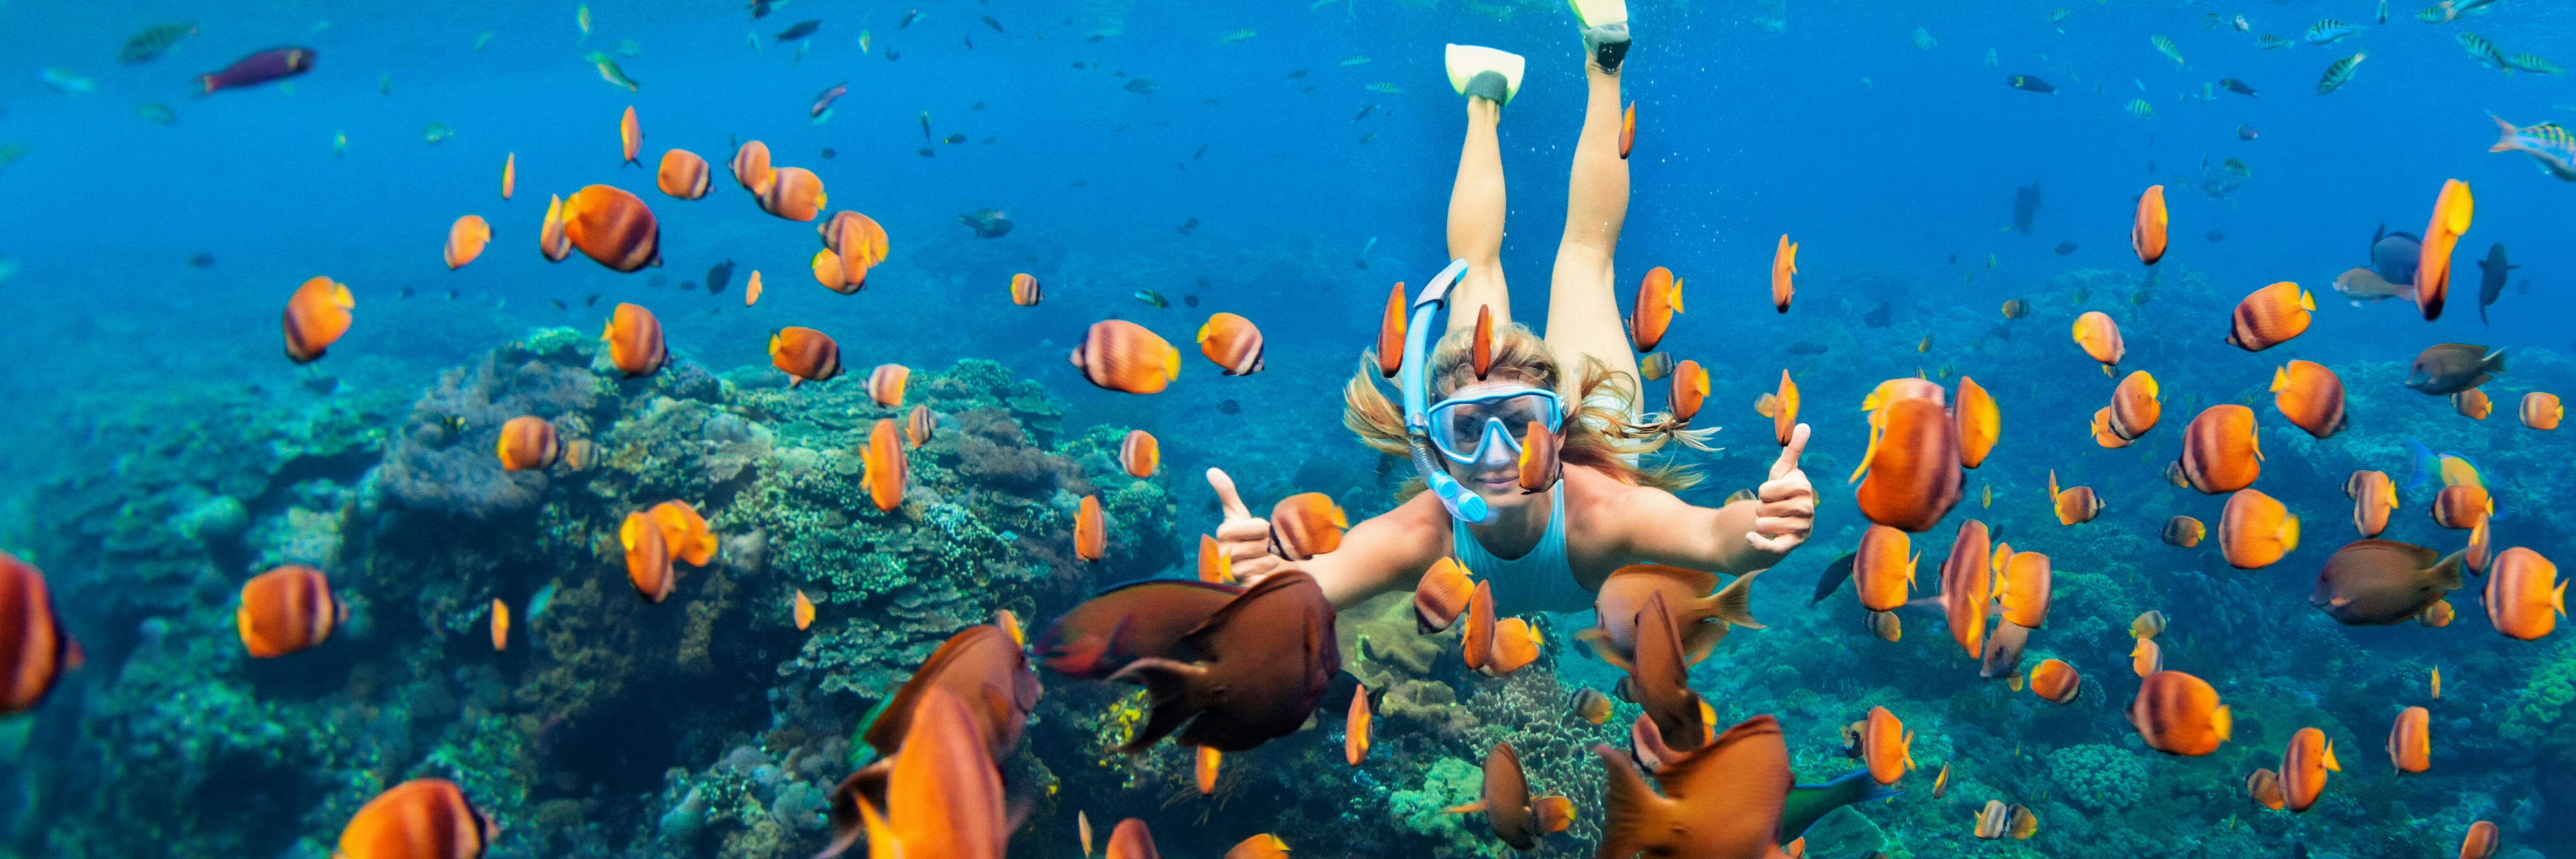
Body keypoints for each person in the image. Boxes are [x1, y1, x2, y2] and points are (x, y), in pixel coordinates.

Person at [1205, 0, 1817, 612]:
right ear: (1431, 442)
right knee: (1578, 259)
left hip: (1595, 426)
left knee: (1549, 261)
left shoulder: (1602, 514)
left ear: (1557, 421)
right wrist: (1266, 578)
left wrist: (1765, 528)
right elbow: (1312, 587)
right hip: (1591, 412)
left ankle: (1563, 72)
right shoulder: (1423, 532)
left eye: (1521, 422)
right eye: (1466, 429)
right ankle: (1523, 83)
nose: (1498, 455)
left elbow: (1716, 537)